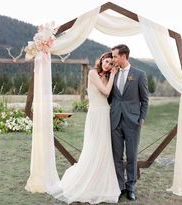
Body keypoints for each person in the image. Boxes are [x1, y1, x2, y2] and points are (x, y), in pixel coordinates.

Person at [52, 52, 120, 204]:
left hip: (105, 114)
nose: (108, 65)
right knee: (93, 146)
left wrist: (112, 76)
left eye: (111, 64)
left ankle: (100, 182)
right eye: (106, 61)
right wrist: (113, 76)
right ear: (102, 60)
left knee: (104, 148)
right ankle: (86, 180)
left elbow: (109, 96)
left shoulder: (107, 77)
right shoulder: (93, 73)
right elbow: (106, 92)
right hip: (96, 115)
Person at [109, 44, 149, 201]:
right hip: (115, 121)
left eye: (115, 56)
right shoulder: (113, 73)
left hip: (133, 121)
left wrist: (142, 119)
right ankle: (120, 187)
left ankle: (130, 187)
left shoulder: (139, 74)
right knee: (117, 156)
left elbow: (145, 100)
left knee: (131, 156)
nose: (113, 59)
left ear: (123, 56)